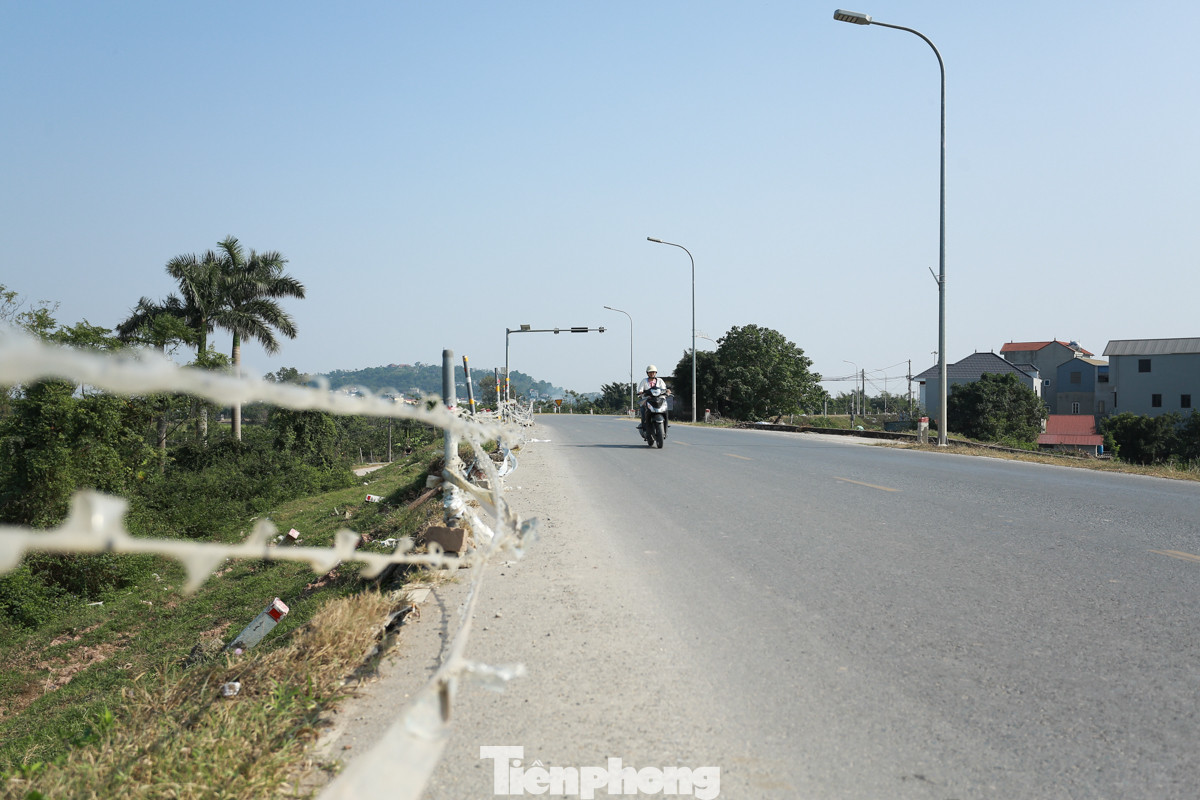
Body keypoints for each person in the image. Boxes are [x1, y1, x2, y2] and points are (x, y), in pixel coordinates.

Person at [636, 364, 671, 434]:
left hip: (659, 399)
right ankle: (644, 427)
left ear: (656, 373)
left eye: (653, 372)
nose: (652, 374)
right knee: (643, 409)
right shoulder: (644, 381)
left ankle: (665, 425)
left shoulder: (660, 381)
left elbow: (664, 389)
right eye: (650, 372)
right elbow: (640, 390)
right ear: (647, 373)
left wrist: (667, 391)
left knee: (665, 410)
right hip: (647, 400)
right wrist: (641, 393)